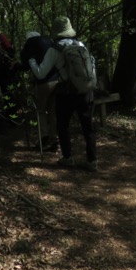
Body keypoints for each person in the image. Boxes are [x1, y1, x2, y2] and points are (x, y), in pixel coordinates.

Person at [28, 16, 97, 171]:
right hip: (86, 90)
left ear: (56, 32)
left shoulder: (54, 50)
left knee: (63, 125)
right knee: (88, 126)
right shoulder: (81, 45)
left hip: (67, 92)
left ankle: (68, 157)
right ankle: (92, 160)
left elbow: (40, 73)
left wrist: (31, 61)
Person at [20, 31, 60, 152]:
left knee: (41, 111)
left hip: (42, 83)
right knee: (53, 111)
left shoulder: (29, 44)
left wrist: (17, 66)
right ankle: (55, 139)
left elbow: (25, 65)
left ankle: (44, 138)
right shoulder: (48, 42)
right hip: (56, 81)